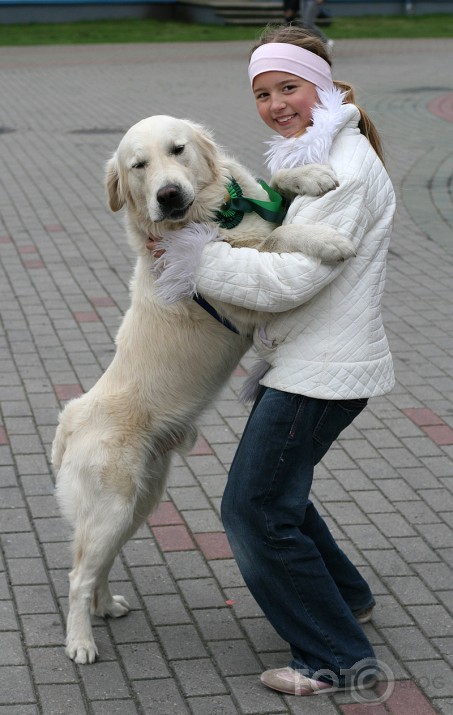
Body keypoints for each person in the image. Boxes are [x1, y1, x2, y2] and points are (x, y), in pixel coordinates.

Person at [150, 24, 395, 697]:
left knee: (253, 508)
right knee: (275, 490)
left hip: (320, 371)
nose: (275, 103)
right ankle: (346, 595)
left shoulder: (343, 167)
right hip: (310, 361)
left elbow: (289, 280)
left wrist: (195, 258)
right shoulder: (319, 150)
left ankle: (333, 656)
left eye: (287, 86)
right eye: (261, 92)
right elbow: (276, 222)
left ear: (320, 84)